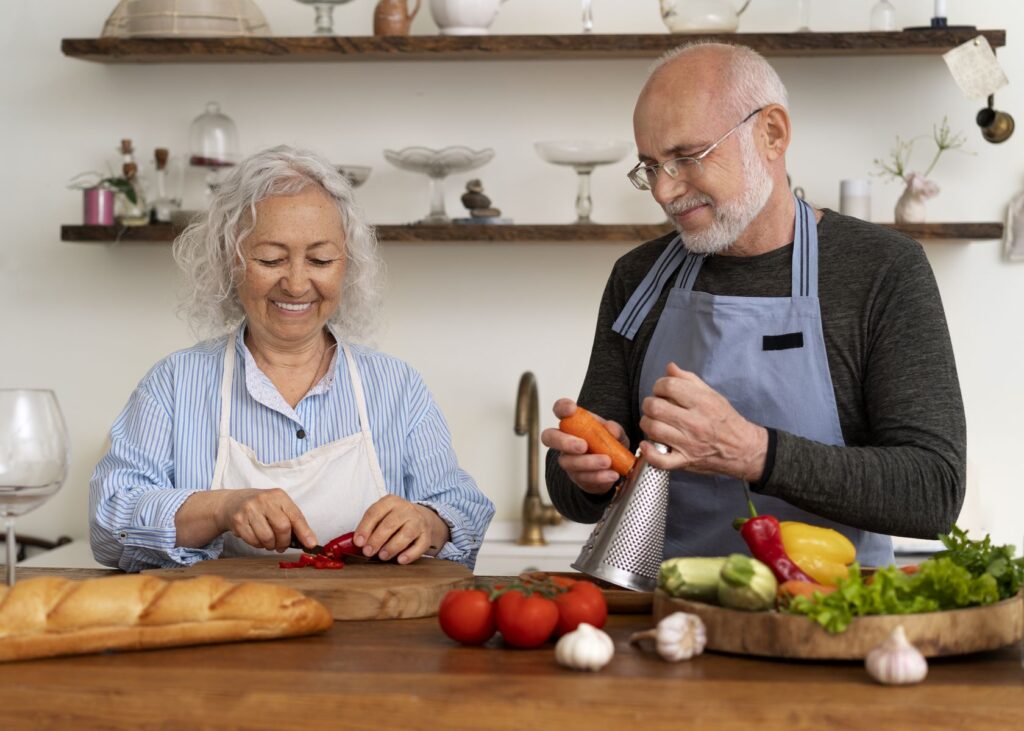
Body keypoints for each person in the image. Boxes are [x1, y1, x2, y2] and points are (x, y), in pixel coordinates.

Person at [542, 42, 966, 565]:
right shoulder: (638, 278)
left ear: (772, 134)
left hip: (830, 605)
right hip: (665, 601)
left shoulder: (882, 270)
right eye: (651, 166)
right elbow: (574, 496)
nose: (664, 192)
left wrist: (753, 453)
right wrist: (586, 473)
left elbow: (934, 492)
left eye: (687, 158)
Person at [91, 145, 494, 571]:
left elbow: (464, 511)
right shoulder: (174, 383)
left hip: (369, 614)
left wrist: (428, 523)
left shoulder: (397, 387)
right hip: (220, 612)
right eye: (271, 259)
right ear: (231, 261)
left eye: (320, 259)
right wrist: (220, 509)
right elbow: (108, 526)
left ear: (347, 265)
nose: (297, 284)